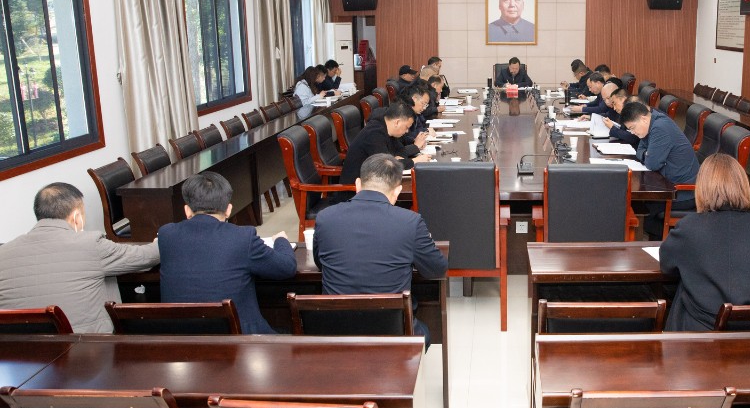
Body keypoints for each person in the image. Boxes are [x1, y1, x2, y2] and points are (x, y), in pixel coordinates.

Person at [314, 154, 448, 345]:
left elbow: (320, 263)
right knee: (423, 332)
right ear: (398, 191)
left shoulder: (325, 217)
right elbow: (436, 269)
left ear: (358, 184)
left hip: (335, 331)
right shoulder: (410, 222)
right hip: (392, 332)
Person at [661, 154, 750, 331]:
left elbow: (667, 267)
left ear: (702, 188)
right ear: (743, 186)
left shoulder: (688, 227)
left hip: (699, 333)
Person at [0, 183, 160, 333]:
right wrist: (160, 241)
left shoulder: (3, 252)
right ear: (77, 216)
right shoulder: (90, 244)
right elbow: (146, 257)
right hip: (88, 346)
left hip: (22, 350)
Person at [157, 172, 296, 334]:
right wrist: (281, 240)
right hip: (240, 340)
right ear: (228, 210)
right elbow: (287, 267)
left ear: (187, 210)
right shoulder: (243, 237)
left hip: (180, 339)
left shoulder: (166, 235)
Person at [621, 101, 700, 237]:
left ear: (643, 119)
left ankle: (679, 240)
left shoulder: (660, 128)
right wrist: (647, 154)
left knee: (644, 217)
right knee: (636, 206)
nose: (633, 132)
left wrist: (648, 155)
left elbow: (652, 164)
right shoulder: (651, 124)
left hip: (683, 192)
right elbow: (640, 151)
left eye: (633, 128)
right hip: (667, 184)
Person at [340, 102, 431, 185]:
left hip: (376, 181)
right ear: (397, 122)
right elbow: (387, 166)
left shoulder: (389, 130)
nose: (407, 131)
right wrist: (414, 161)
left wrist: (397, 159)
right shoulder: (374, 133)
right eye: (406, 127)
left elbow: (401, 150)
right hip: (357, 189)